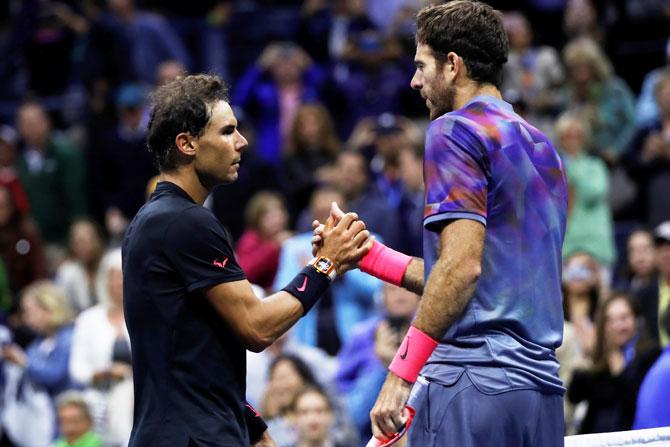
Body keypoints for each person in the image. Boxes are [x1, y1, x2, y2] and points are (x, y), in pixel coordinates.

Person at [315, 2, 568, 445]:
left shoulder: (454, 130)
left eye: (420, 65)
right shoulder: (542, 148)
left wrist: (399, 374)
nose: (414, 81)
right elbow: (482, 281)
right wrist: (371, 257)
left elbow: (461, 270)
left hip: (472, 384)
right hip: (540, 393)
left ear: (452, 66)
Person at [122, 74, 371, 447]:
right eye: (227, 132)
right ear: (187, 144)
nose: (242, 142)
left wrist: (250, 425)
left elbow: (192, 350)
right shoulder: (186, 222)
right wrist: (325, 266)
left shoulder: (152, 221)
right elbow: (257, 328)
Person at [568, 293, 659, 434]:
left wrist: (617, 363)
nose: (617, 326)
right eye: (610, 320)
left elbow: (632, 399)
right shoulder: (598, 358)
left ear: (636, 319)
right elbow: (574, 395)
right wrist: (587, 356)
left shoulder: (650, 354)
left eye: (623, 318)